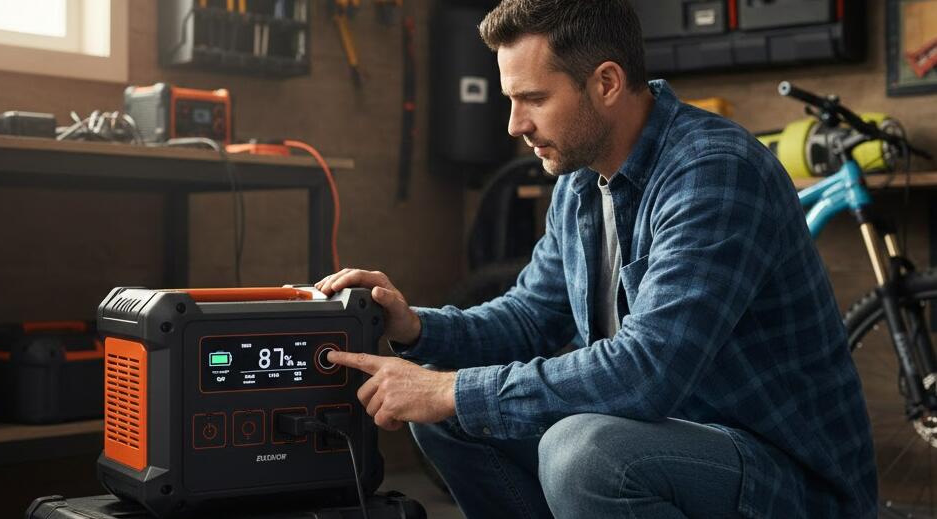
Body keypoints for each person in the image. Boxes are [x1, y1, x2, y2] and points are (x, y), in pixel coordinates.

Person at [317, 1, 877, 517]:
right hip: (666, 439)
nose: (515, 125)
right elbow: (530, 316)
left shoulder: (715, 171)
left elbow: (648, 372)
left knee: (583, 452)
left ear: (606, 82)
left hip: (786, 479)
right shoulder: (582, 180)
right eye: (512, 100)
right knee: (450, 415)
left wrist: (450, 391)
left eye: (533, 99)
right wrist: (416, 329)